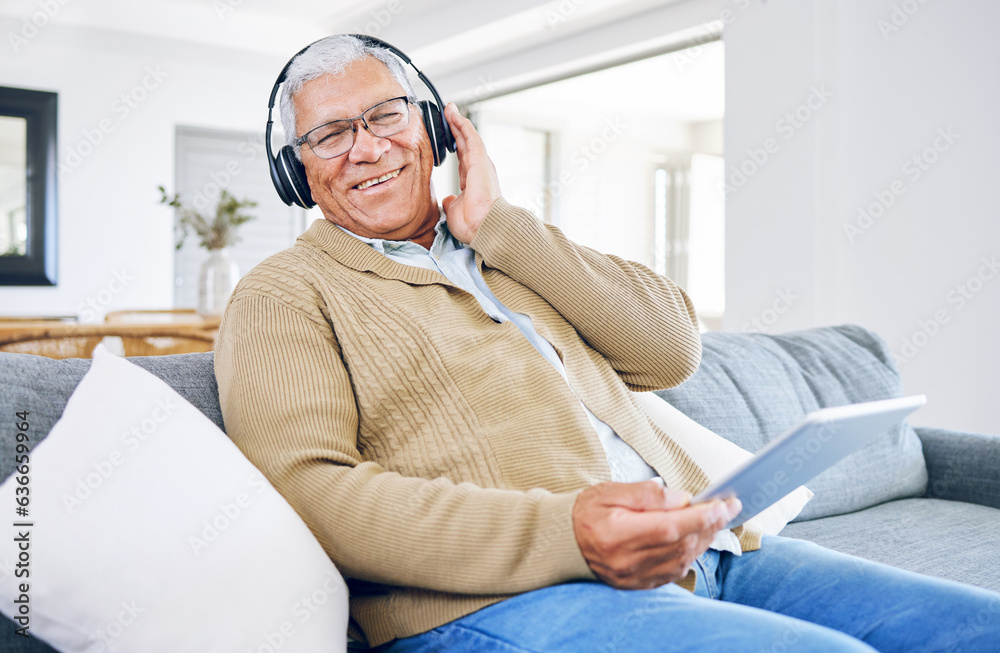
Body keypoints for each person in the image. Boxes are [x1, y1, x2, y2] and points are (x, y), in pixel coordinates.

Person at [214, 34, 1000, 652]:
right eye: (328, 134)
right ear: (297, 173)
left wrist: (503, 227)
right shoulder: (284, 293)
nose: (367, 146)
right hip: (503, 599)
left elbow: (672, 352)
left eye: (385, 115)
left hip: (712, 550)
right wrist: (566, 532)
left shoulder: (506, 250)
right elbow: (311, 492)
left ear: (431, 129)